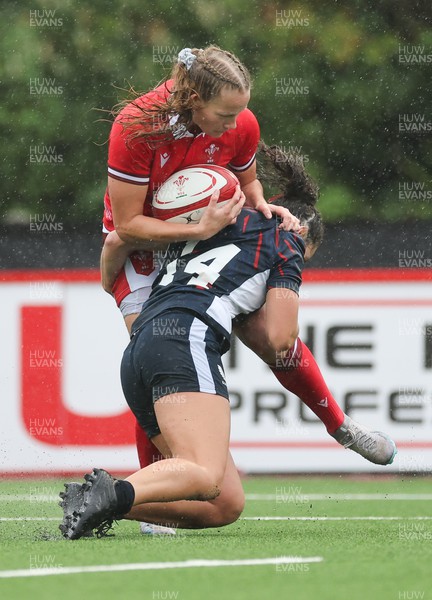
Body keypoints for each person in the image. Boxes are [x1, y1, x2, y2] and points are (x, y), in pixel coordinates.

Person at [98, 46, 396, 533]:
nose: (235, 124)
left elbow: (248, 181)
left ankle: (341, 426)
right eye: (225, 114)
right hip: (143, 249)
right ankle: (157, 494)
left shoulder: (241, 123)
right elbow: (128, 226)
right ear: (193, 99)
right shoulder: (136, 127)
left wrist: (263, 206)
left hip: (205, 236)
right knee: (158, 352)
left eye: (241, 112)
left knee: (272, 341)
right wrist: (194, 229)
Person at [60, 186, 323, 540]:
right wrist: (282, 285)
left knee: (224, 502)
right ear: (300, 231)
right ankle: (113, 490)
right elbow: (281, 339)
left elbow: (114, 250)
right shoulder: (287, 239)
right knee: (202, 472)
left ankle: (101, 501)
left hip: (140, 347)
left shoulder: (214, 223)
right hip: (186, 339)